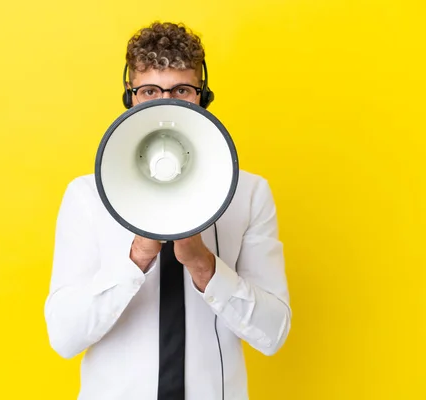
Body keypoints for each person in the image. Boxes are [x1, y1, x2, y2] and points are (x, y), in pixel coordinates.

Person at [44, 21, 291, 400]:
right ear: (130, 97)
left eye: (181, 89)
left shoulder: (249, 193)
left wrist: (204, 266)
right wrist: (136, 258)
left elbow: (273, 334)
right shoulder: (86, 196)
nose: (166, 103)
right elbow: (64, 337)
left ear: (203, 94)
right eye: (149, 91)